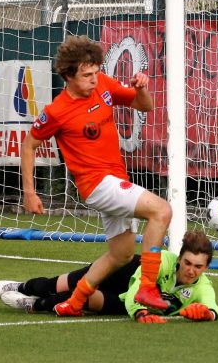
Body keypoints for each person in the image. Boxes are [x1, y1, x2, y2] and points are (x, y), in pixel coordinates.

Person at [21, 35, 172, 316]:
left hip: (115, 180)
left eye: (96, 71)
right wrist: (30, 192)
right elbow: (28, 145)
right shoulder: (57, 111)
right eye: (87, 74)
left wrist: (140, 89)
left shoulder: (103, 85)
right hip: (97, 184)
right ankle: (147, 286)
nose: (94, 78)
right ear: (68, 75)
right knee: (161, 211)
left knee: (121, 255)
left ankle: (73, 302)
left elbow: (145, 106)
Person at [0, 231, 218, 323]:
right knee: (61, 284)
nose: (191, 270)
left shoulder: (203, 287)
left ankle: (32, 304)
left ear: (206, 267)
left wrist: (207, 314)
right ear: (179, 259)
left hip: (125, 305)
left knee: (79, 300)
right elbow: (136, 292)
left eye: (198, 266)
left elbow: (214, 309)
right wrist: (141, 312)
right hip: (124, 275)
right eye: (188, 263)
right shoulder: (160, 261)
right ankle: (23, 286)